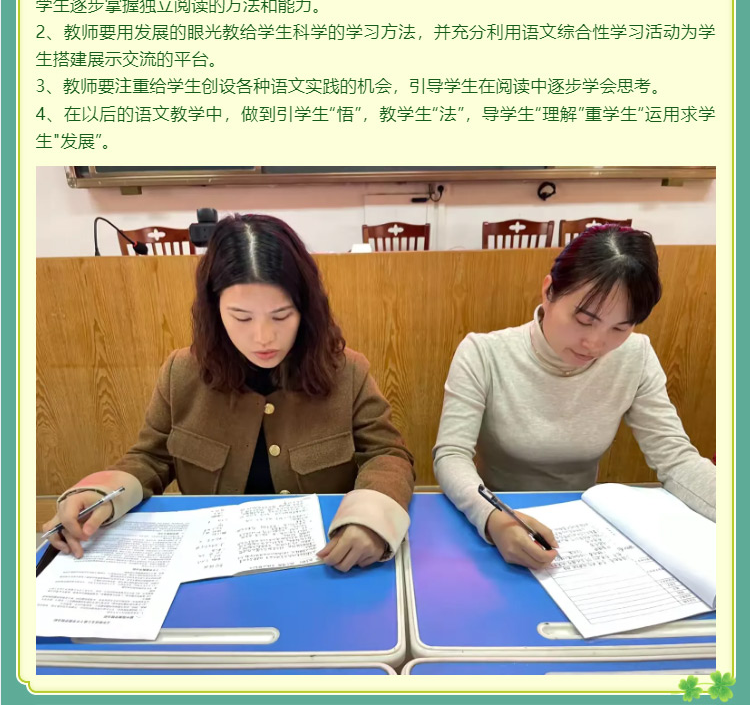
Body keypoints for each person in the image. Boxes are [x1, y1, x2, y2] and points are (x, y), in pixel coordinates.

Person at [43, 214, 415, 572]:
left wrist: (371, 520)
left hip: (323, 558)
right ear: (215, 309)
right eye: (241, 317)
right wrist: (101, 494)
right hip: (210, 562)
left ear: (306, 310)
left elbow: (387, 454)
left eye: (281, 316)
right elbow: (151, 458)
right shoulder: (182, 372)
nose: (263, 337)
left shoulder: (346, 371)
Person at [433, 224, 716, 569]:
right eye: (584, 320)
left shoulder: (635, 355)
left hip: (584, 530)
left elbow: (676, 459)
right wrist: (493, 518)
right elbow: (451, 455)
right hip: (499, 518)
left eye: (620, 328)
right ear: (548, 291)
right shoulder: (484, 353)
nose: (595, 344)